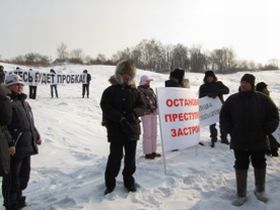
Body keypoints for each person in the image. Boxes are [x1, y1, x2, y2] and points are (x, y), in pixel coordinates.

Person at [220, 74, 279, 206]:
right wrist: (231, 129)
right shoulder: (232, 99)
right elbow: (223, 116)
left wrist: (266, 130)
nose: (244, 84)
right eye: (242, 82)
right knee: (241, 164)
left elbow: (274, 116)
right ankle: (241, 194)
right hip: (239, 140)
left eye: (246, 82)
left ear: (252, 84)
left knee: (259, 163)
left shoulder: (263, 99)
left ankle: (260, 190)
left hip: (258, 140)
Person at [100, 59, 145, 195]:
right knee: (115, 157)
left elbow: (143, 106)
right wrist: (119, 118)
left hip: (132, 130)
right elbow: (105, 107)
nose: (127, 76)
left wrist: (134, 114)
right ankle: (110, 183)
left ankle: (128, 181)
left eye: (129, 74)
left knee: (130, 158)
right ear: (119, 74)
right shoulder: (110, 91)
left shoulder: (135, 92)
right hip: (116, 131)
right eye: (124, 73)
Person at [3, 74, 42, 210]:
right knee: (12, 177)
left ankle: (19, 198)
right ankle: (10, 202)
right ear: (8, 86)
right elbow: (3, 126)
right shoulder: (6, 102)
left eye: (21, 84)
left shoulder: (24, 103)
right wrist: (9, 143)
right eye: (16, 84)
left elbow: (30, 122)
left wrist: (36, 135)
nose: (19, 87)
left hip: (26, 144)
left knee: (23, 175)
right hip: (14, 146)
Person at [199, 70, 230, 147]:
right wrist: (208, 94)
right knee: (212, 123)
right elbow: (200, 97)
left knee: (223, 123)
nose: (209, 78)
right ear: (205, 78)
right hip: (210, 108)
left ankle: (224, 138)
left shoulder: (219, 84)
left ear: (213, 77)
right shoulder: (203, 87)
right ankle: (213, 137)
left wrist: (217, 92)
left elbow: (227, 90)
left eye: (211, 77)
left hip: (221, 107)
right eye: (208, 77)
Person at [137, 75, 160, 159]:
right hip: (146, 114)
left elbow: (155, 99)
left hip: (153, 113)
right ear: (143, 81)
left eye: (149, 81)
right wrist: (152, 108)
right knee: (148, 133)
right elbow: (144, 101)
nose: (149, 83)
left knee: (154, 132)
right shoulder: (139, 90)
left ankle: (153, 151)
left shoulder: (150, 89)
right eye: (147, 81)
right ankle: (148, 153)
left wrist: (157, 107)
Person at [256, 82, 279, 157]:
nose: (267, 90)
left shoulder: (267, 96)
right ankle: (270, 150)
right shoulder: (259, 98)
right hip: (265, 121)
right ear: (261, 90)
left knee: (273, 135)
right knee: (269, 136)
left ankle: (273, 149)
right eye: (265, 88)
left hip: (271, 120)